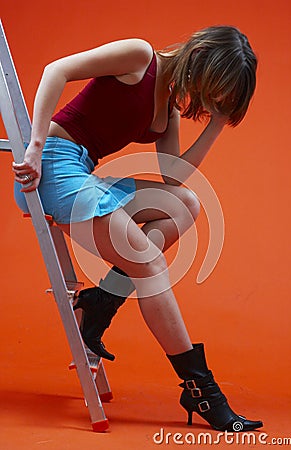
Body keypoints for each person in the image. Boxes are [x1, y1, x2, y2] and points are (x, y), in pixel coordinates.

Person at [13, 25, 262, 431]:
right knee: (147, 264)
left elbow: (174, 178)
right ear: (200, 56)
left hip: (82, 173)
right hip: (53, 167)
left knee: (185, 204)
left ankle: (101, 303)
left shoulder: (170, 110)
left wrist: (217, 124)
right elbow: (55, 70)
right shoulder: (139, 57)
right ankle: (201, 389)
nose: (208, 96)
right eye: (213, 86)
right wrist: (35, 148)